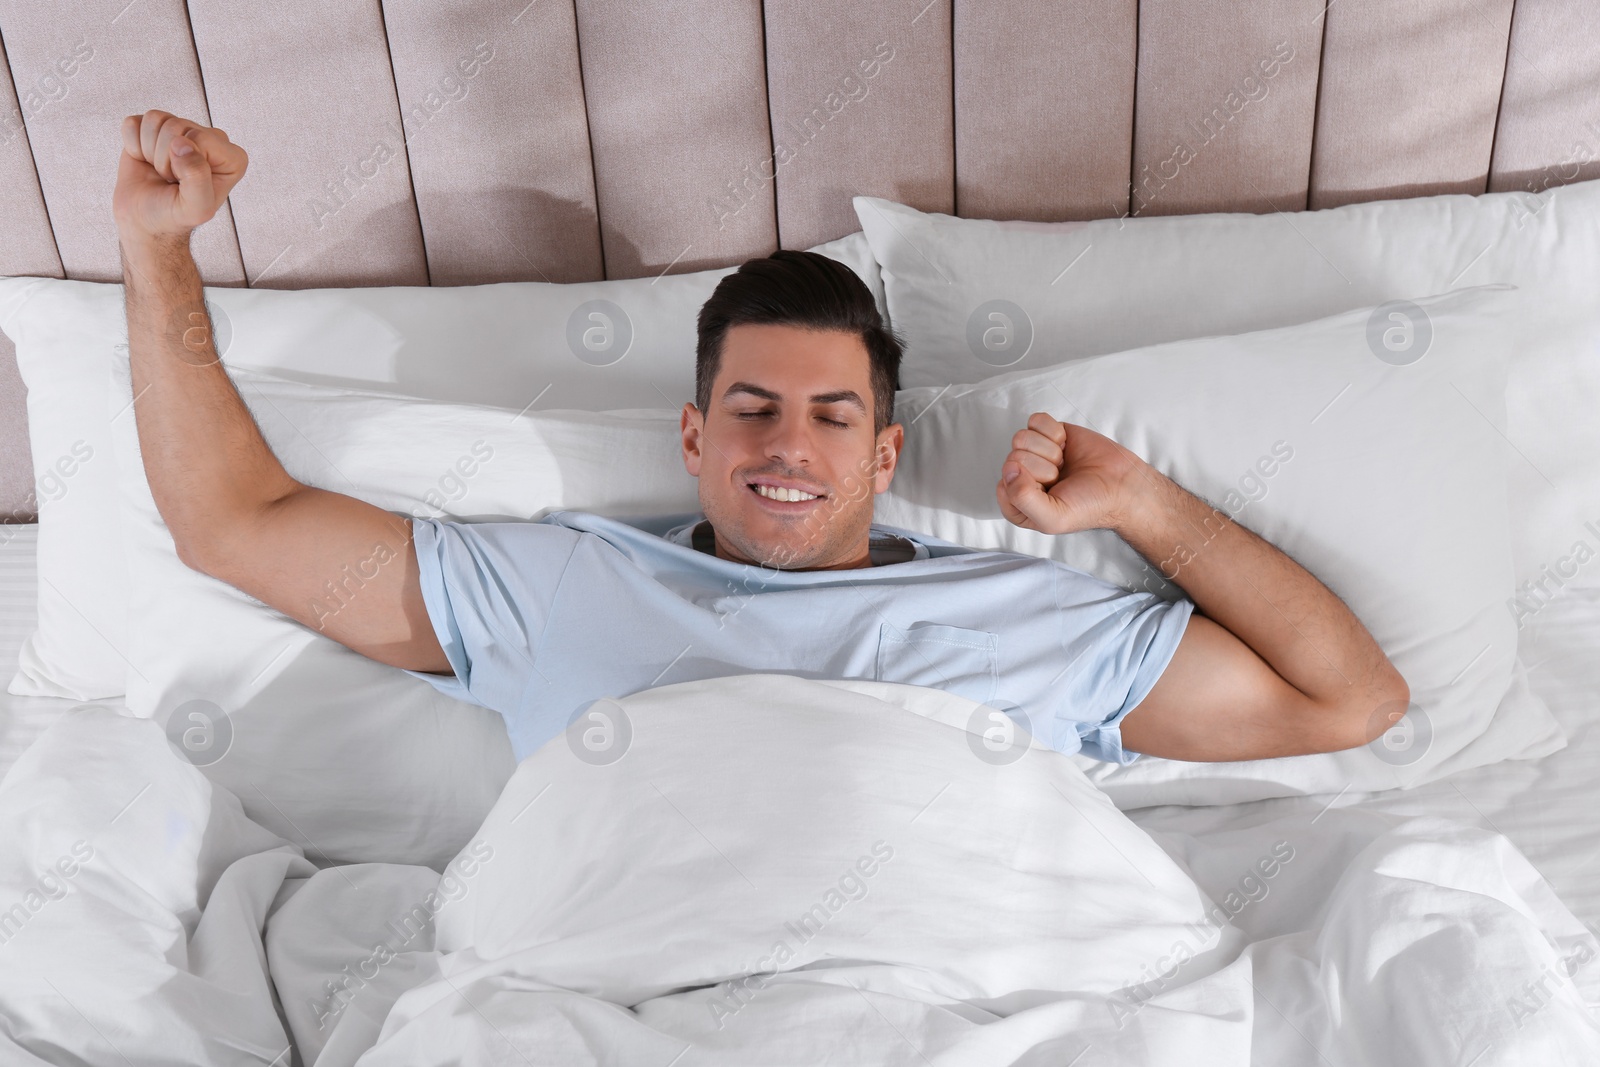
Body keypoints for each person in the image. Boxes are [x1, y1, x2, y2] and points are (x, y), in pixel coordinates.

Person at [111, 109, 1408, 766]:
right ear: (692, 435)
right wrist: (157, 252)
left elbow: (1350, 702)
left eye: (835, 416)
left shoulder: (1035, 622)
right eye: (754, 408)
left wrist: (1147, 511)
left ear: (886, 459)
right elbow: (233, 524)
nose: (790, 446)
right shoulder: (558, 585)